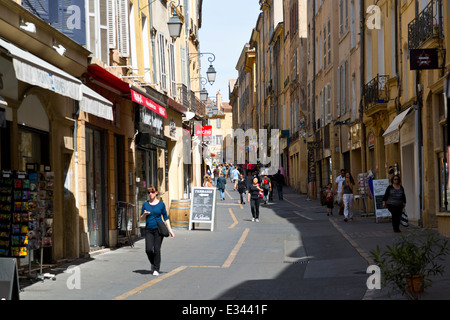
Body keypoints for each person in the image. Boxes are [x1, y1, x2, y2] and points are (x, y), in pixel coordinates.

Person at [140, 185, 174, 276]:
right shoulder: (145, 204)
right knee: (148, 250)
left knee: (157, 249)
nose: (150, 194)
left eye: (152, 192)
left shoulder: (161, 204)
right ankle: (153, 263)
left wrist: (170, 230)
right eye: (149, 192)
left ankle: (156, 269)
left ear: (156, 193)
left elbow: (166, 218)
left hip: (158, 230)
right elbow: (141, 218)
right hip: (148, 230)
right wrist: (144, 214)